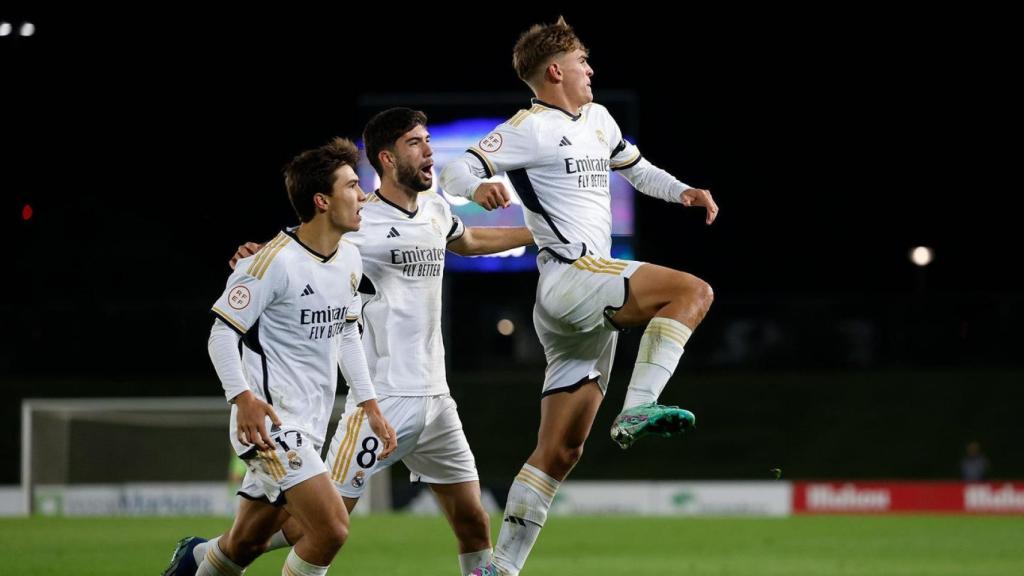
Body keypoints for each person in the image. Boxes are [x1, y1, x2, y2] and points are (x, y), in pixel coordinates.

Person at [173, 108, 534, 576]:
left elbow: (468, 241)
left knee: (472, 520)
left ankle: (209, 557)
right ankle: (212, 556)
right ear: (387, 158)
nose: (428, 150)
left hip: (435, 397)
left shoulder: (435, 210)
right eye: (415, 143)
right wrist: (256, 254)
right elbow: (305, 246)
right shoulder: (358, 228)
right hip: (382, 393)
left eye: (429, 140)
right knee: (319, 526)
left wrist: (544, 234)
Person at [439, 17, 719, 576]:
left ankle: (499, 568)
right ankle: (639, 406)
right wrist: (479, 185)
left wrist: (682, 190)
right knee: (692, 291)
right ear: (555, 69)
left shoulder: (599, 120)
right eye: (583, 61)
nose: (591, 70)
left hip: (581, 302)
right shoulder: (530, 127)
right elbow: (455, 168)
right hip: (572, 276)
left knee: (560, 452)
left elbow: (637, 171)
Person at [161, 137, 396, 576]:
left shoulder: (349, 259)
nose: (362, 194)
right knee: (330, 529)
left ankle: (193, 560)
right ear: (322, 201)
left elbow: (347, 334)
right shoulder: (270, 264)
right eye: (351, 186)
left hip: (310, 425)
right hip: (271, 426)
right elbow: (220, 335)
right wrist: (242, 397)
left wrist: (369, 404)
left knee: (247, 542)